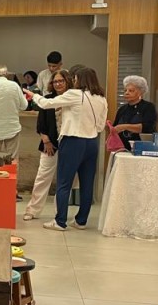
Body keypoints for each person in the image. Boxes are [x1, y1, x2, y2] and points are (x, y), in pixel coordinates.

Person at [26, 67, 108, 231]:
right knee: (86, 184)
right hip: (92, 142)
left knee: (64, 182)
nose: (74, 81)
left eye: (75, 79)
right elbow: (100, 126)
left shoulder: (75, 94)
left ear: (80, 80)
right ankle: (81, 221)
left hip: (73, 141)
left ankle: (60, 221)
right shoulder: (101, 99)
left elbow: (46, 103)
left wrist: (33, 95)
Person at [23, 69, 71, 221]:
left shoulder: (72, 99)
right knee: (42, 177)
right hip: (49, 145)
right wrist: (47, 141)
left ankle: (60, 213)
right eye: (55, 81)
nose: (58, 84)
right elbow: (41, 124)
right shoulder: (48, 99)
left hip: (69, 145)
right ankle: (32, 210)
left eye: (61, 81)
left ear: (68, 82)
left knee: (64, 181)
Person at [0, 65, 27, 160]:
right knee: (12, 160)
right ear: (6, 74)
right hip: (12, 128)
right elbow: (24, 106)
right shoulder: (15, 86)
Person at [112, 75, 158, 150]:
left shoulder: (148, 107)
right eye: (125, 90)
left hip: (143, 148)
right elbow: (116, 127)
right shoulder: (122, 109)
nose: (126, 93)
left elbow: (147, 127)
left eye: (131, 91)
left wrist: (124, 127)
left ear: (140, 92)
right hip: (123, 149)